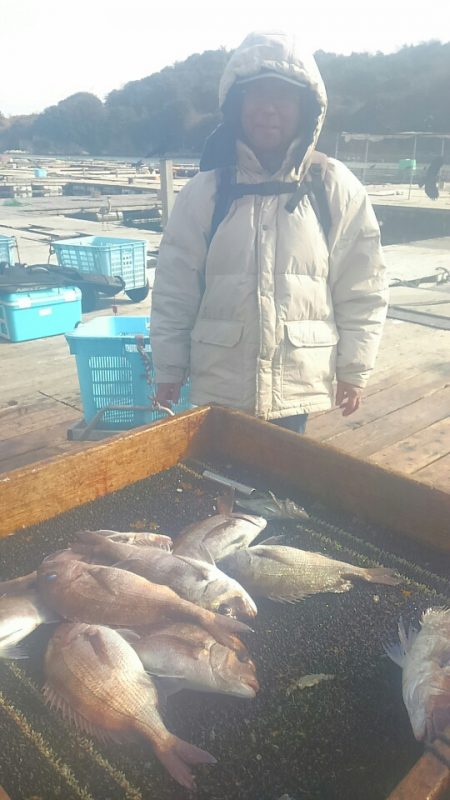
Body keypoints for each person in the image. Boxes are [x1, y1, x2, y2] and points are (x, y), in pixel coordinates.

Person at [150, 31, 388, 434]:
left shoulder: (333, 185)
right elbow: (175, 286)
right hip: (219, 382)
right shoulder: (206, 190)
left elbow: (363, 286)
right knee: (218, 486)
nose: (269, 109)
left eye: (285, 96)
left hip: (296, 380)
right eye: (257, 94)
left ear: (307, 107)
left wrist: (354, 368)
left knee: (277, 488)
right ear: (237, 103)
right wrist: (168, 368)